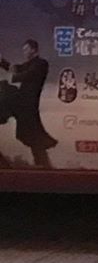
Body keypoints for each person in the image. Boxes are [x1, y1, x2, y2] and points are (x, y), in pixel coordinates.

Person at [0, 39, 56, 168]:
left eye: (26, 49)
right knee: (33, 136)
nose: (24, 52)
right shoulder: (30, 64)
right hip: (22, 104)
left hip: (27, 105)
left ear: (33, 49)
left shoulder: (41, 64)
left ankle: (44, 166)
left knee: (34, 137)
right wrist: (2, 62)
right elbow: (16, 69)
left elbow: (26, 74)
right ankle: (43, 165)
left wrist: (12, 77)